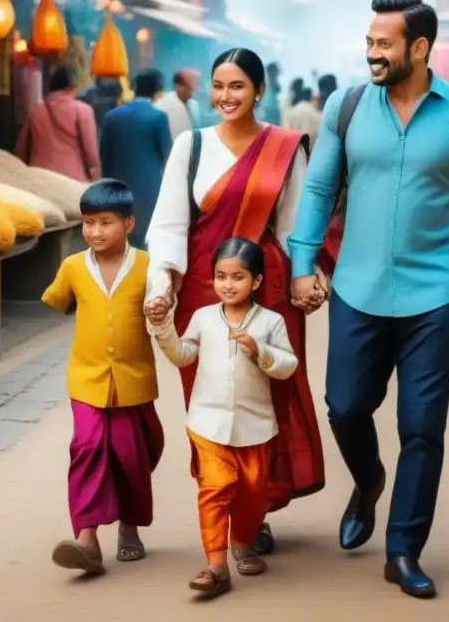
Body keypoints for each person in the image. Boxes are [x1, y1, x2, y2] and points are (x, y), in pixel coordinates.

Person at [288, 0, 449, 599]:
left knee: (422, 427)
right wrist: (302, 262)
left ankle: (404, 550)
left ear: (420, 47)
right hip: (356, 288)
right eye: (369, 42)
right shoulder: (348, 106)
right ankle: (368, 477)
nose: (372, 53)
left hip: (434, 294)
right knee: (346, 407)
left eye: (384, 43)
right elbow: (319, 187)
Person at [144, 47, 326, 557]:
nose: (226, 96)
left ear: (259, 91)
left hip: (266, 293)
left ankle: (256, 509)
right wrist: (163, 285)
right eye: (218, 86)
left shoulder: (285, 148)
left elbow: (294, 227)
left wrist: (304, 279)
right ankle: (220, 499)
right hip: (203, 292)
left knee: (262, 403)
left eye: (238, 87)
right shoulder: (191, 145)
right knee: (207, 403)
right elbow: (170, 222)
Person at [147, 237, 297, 598]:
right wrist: (163, 327)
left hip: (255, 425)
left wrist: (259, 351)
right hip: (206, 422)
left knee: (251, 493)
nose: (228, 285)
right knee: (214, 489)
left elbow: (288, 366)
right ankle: (216, 565)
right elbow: (183, 355)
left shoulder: (271, 322)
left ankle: (243, 544)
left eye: (238, 277)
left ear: (256, 281)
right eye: (220, 276)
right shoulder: (202, 318)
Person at [42, 179, 163, 575]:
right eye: (88, 223)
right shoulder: (72, 267)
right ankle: (87, 539)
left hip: (134, 379)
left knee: (134, 454)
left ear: (129, 224)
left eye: (105, 222)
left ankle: (130, 526)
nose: (94, 231)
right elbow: (56, 299)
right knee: (87, 448)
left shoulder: (148, 266)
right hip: (87, 378)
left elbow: (165, 304)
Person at [100, 69, 174, 249]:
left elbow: (104, 154)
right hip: (149, 189)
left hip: (116, 187)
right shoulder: (158, 117)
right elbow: (167, 155)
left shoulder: (112, 116)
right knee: (143, 240)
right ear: (157, 90)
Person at [16, 64, 100, 182]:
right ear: (73, 86)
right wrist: (95, 175)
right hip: (72, 181)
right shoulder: (83, 111)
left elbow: (22, 150)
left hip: (39, 179)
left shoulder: (35, 111)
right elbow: (90, 152)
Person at [155, 69, 198, 142]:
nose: (194, 88)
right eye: (190, 85)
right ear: (177, 86)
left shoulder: (194, 105)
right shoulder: (162, 106)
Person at [258, 61, 283, 126]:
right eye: (275, 73)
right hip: (268, 113)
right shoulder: (265, 86)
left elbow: (278, 89)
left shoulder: (272, 85)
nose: (276, 76)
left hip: (272, 113)